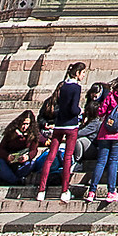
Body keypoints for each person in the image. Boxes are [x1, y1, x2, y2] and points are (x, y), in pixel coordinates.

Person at [82, 72, 118, 205]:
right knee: (114, 162)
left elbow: (101, 111)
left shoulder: (111, 93)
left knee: (101, 161)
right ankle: (111, 191)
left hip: (105, 132)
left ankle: (92, 191)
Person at [36, 62, 87, 202]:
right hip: (71, 125)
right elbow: (73, 108)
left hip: (58, 124)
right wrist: (80, 111)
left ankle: (41, 190)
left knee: (50, 157)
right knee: (68, 157)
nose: (83, 76)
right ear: (77, 73)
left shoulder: (63, 86)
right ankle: (64, 190)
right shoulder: (76, 87)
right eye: (82, 73)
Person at [0, 111, 52, 187]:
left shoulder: (33, 135)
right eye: (23, 124)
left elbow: (34, 150)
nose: (24, 126)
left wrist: (27, 157)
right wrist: (8, 156)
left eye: (27, 124)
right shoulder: (10, 133)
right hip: (9, 162)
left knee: (31, 164)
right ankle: (15, 181)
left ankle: (8, 180)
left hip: (22, 163)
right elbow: (0, 150)